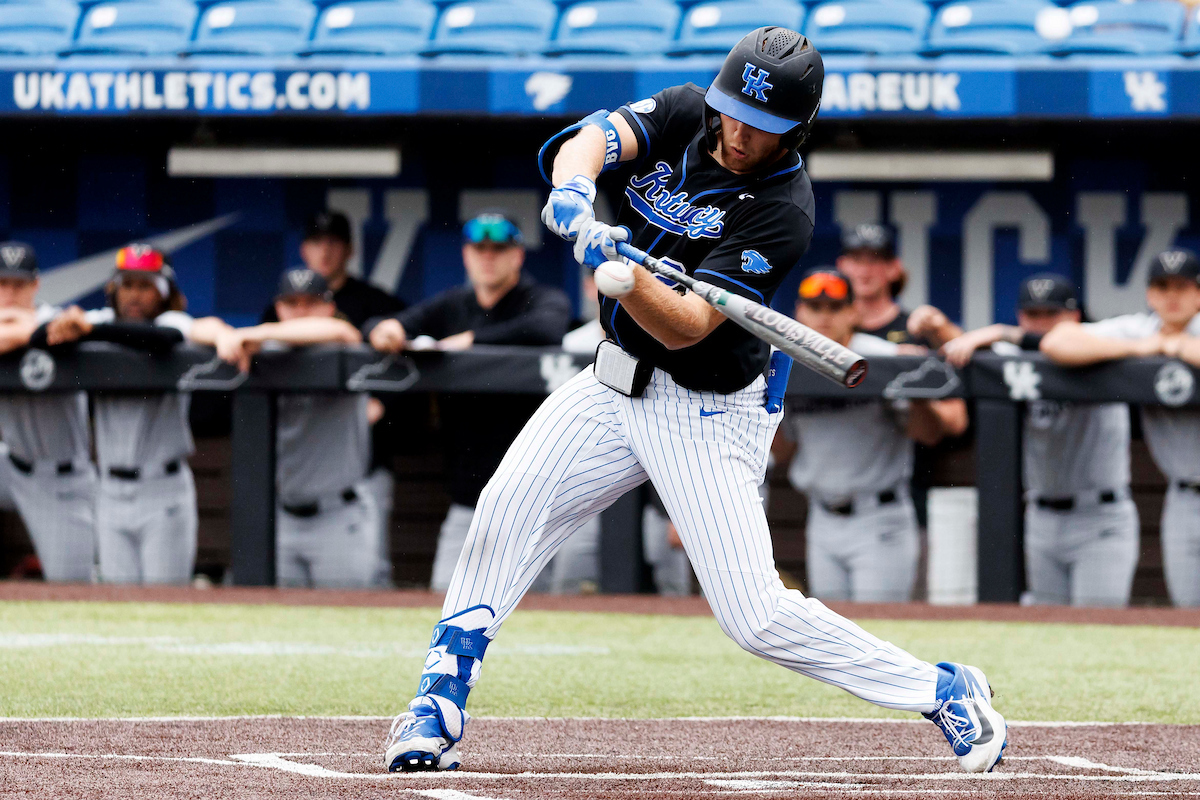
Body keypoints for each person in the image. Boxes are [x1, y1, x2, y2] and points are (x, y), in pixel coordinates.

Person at [381, 27, 1006, 776]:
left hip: (705, 406)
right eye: (734, 113)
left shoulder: (785, 208)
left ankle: (941, 690)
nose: (739, 134)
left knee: (755, 617)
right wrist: (575, 192)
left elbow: (685, 326)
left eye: (761, 125)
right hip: (610, 382)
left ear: (796, 130)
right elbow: (591, 140)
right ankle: (437, 704)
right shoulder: (685, 111)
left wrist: (623, 276)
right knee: (502, 513)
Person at [366, 212, 572, 591]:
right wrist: (386, 330)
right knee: (445, 598)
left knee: (536, 608)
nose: (488, 257)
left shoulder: (539, 299)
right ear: (466, 255)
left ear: (517, 256)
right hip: (466, 501)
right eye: (480, 249)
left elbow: (548, 327)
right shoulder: (452, 305)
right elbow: (386, 326)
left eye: (498, 249)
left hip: (529, 502)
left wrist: (472, 341)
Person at [34, 245, 227, 584]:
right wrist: (65, 325)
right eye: (127, 285)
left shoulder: (170, 321)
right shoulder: (99, 321)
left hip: (162, 487)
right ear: (114, 290)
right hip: (109, 489)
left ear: (164, 292)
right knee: (117, 600)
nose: (135, 295)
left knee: (166, 602)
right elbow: (41, 337)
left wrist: (89, 331)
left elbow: (163, 339)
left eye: (145, 286)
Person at [773, 269, 967, 603]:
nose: (824, 317)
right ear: (800, 312)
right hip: (821, 515)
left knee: (879, 624)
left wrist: (916, 390)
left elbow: (929, 434)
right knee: (831, 624)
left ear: (853, 312)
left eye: (835, 307)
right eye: (815, 307)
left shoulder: (883, 357)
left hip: (879, 517)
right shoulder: (786, 360)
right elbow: (784, 450)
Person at [944, 273, 1139, 606]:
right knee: (1048, 625)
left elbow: (1059, 344)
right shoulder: (1014, 352)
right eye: (1034, 315)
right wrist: (945, 328)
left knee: (1097, 627)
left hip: (1100, 516)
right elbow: (957, 351)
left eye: (1052, 314)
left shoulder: (1100, 340)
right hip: (1041, 516)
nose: (1043, 323)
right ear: (1021, 317)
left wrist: (1003, 332)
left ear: (1074, 316)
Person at [194, 269, 377, 589]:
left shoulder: (340, 342)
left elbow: (341, 330)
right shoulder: (264, 350)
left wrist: (259, 333)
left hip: (338, 515)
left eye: (311, 302)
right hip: (281, 516)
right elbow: (195, 328)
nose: (301, 311)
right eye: (292, 303)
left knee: (344, 614)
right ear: (279, 307)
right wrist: (226, 336)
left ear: (330, 306)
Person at [1039, 250, 1200, 607]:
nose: (1171, 295)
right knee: (1190, 617)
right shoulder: (1140, 330)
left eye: (1182, 286)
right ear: (1149, 294)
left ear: (1198, 293)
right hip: (1184, 496)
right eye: (1162, 286)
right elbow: (1056, 341)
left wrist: (1182, 347)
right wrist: (1139, 349)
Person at [263, 211, 407, 588]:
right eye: (316, 242)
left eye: (333, 242)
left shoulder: (373, 303)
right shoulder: (269, 326)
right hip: (289, 490)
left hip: (353, 478)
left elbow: (403, 366)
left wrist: (379, 406)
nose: (325, 251)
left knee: (361, 593)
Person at [0, 241, 96, 582]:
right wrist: (26, 330)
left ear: (36, 285)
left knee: (72, 588)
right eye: (2, 283)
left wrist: (26, 326)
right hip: (10, 464)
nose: (10, 293)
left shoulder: (56, 318)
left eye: (19, 284)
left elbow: (70, 325)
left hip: (59, 476)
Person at [838, 223, 961, 350]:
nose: (864, 270)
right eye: (856, 260)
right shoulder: (831, 327)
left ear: (894, 267)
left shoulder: (917, 327)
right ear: (841, 265)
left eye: (874, 261)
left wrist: (940, 328)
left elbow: (963, 350)